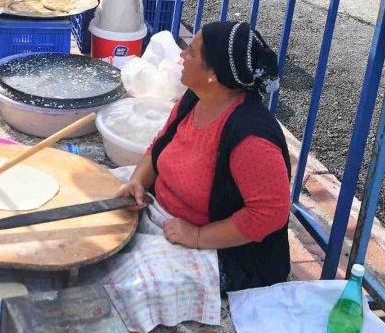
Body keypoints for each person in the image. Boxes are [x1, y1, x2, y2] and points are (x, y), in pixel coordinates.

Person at [114, 21, 291, 293]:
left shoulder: (250, 138)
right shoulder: (196, 99)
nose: (181, 56)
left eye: (192, 53)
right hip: (164, 213)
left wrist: (197, 236)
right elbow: (159, 144)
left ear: (213, 74)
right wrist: (138, 181)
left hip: (224, 253)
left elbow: (269, 215)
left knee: (127, 284)